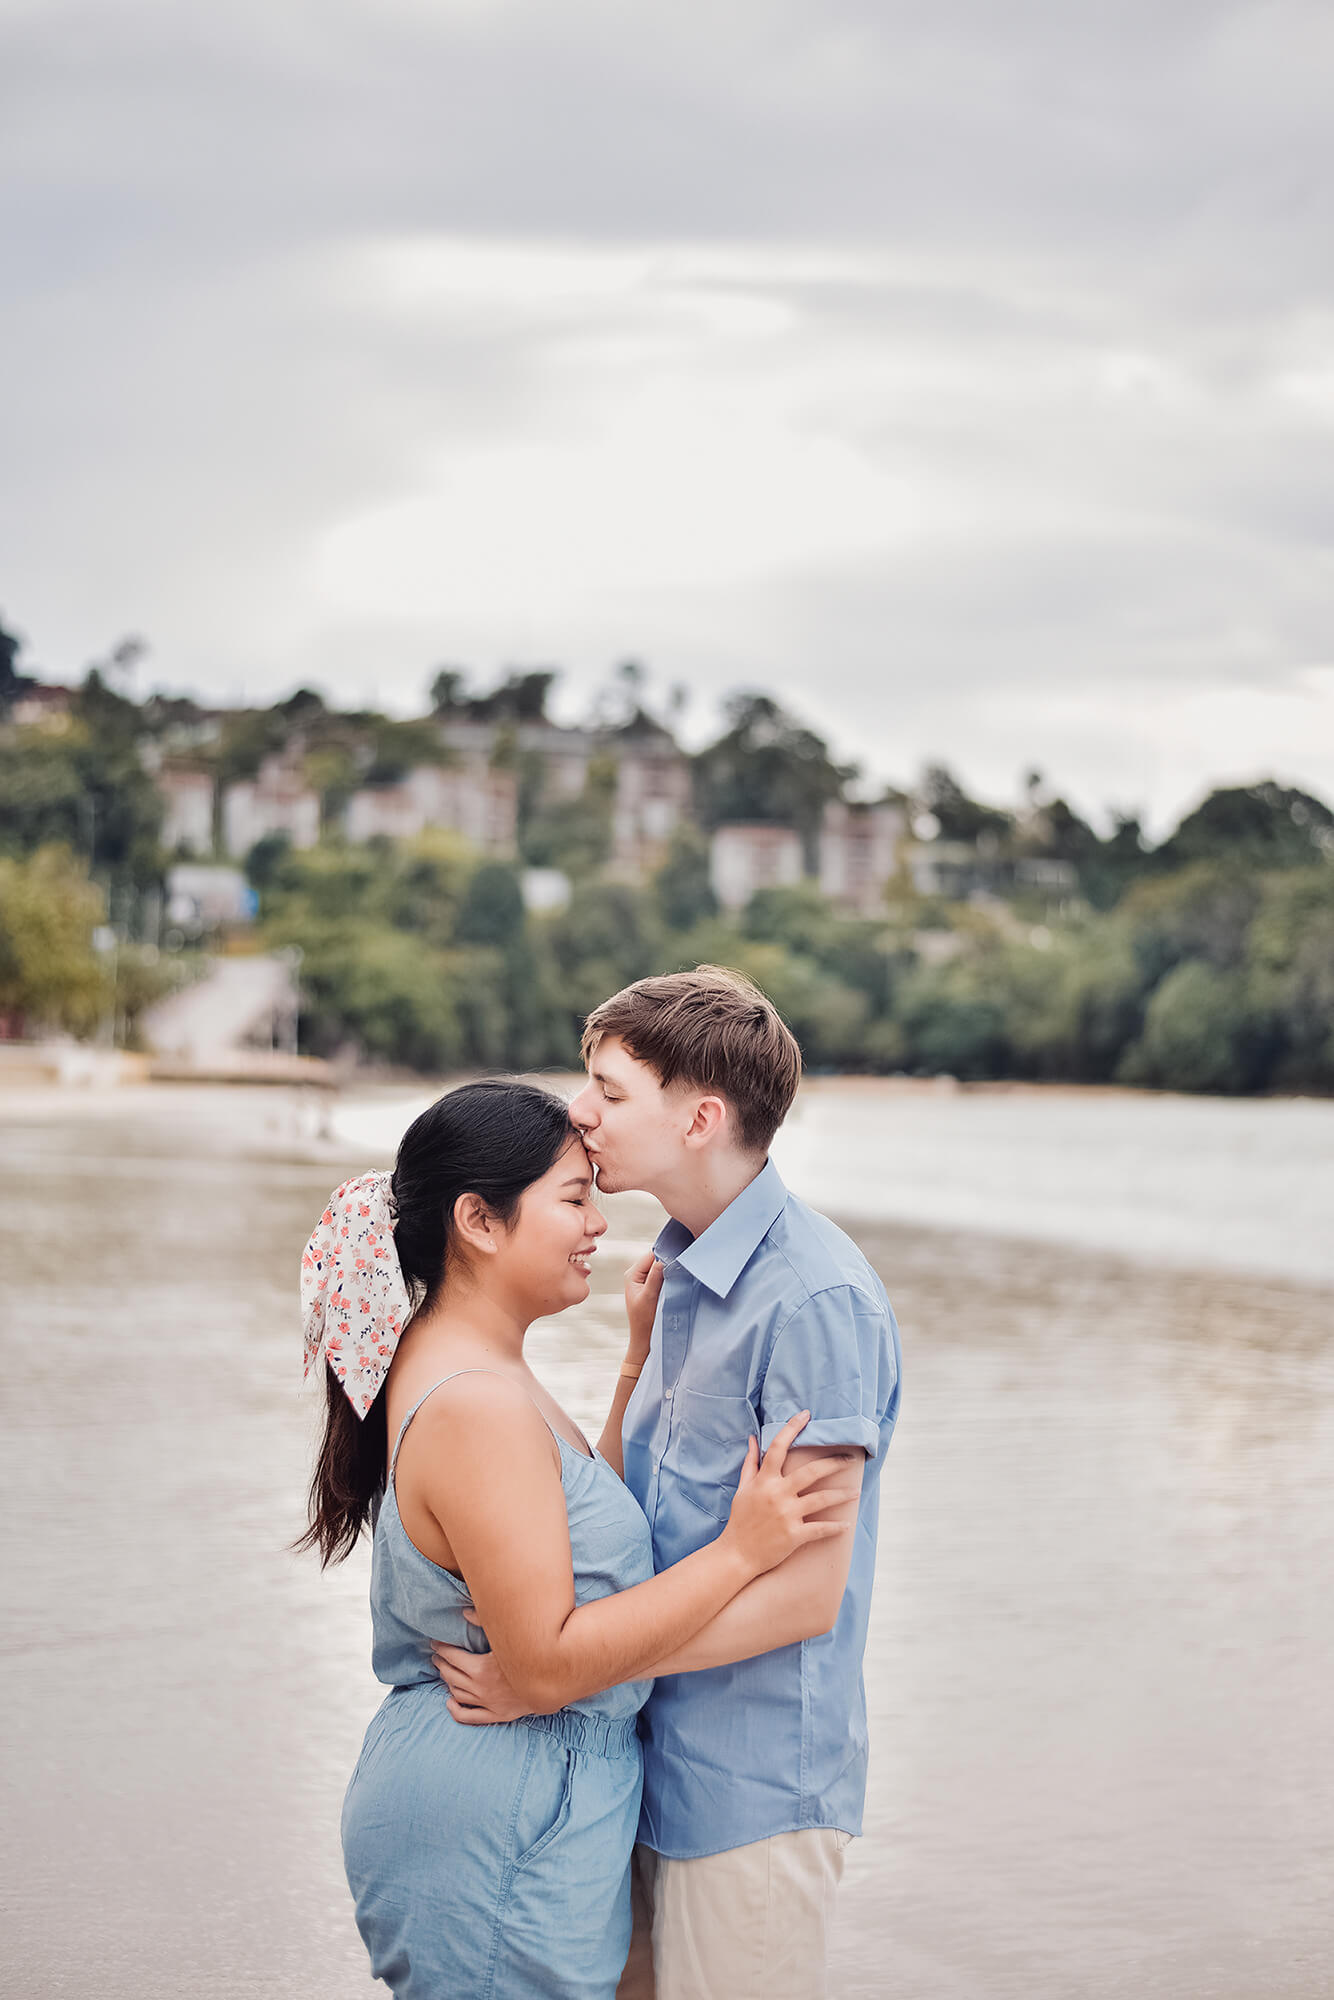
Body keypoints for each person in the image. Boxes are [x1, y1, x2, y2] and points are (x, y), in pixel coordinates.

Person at [298, 1077, 854, 2000]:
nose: (599, 1221)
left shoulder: (479, 1366)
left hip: (514, 1809)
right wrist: (739, 1553)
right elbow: (549, 1662)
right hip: (497, 1820)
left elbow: (572, 1524)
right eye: (572, 1197)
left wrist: (637, 1362)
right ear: (479, 1221)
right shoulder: (476, 1403)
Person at [433, 970, 902, 2000]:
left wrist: (559, 1671)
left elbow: (802, 1592)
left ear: (699, 1117)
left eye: (607, 1087)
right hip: (639, 1767)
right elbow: (628, 1519)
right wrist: (632, 1362)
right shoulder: (678, 1273)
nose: (578, 1110)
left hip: (747, 1793)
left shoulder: (813, 1299)